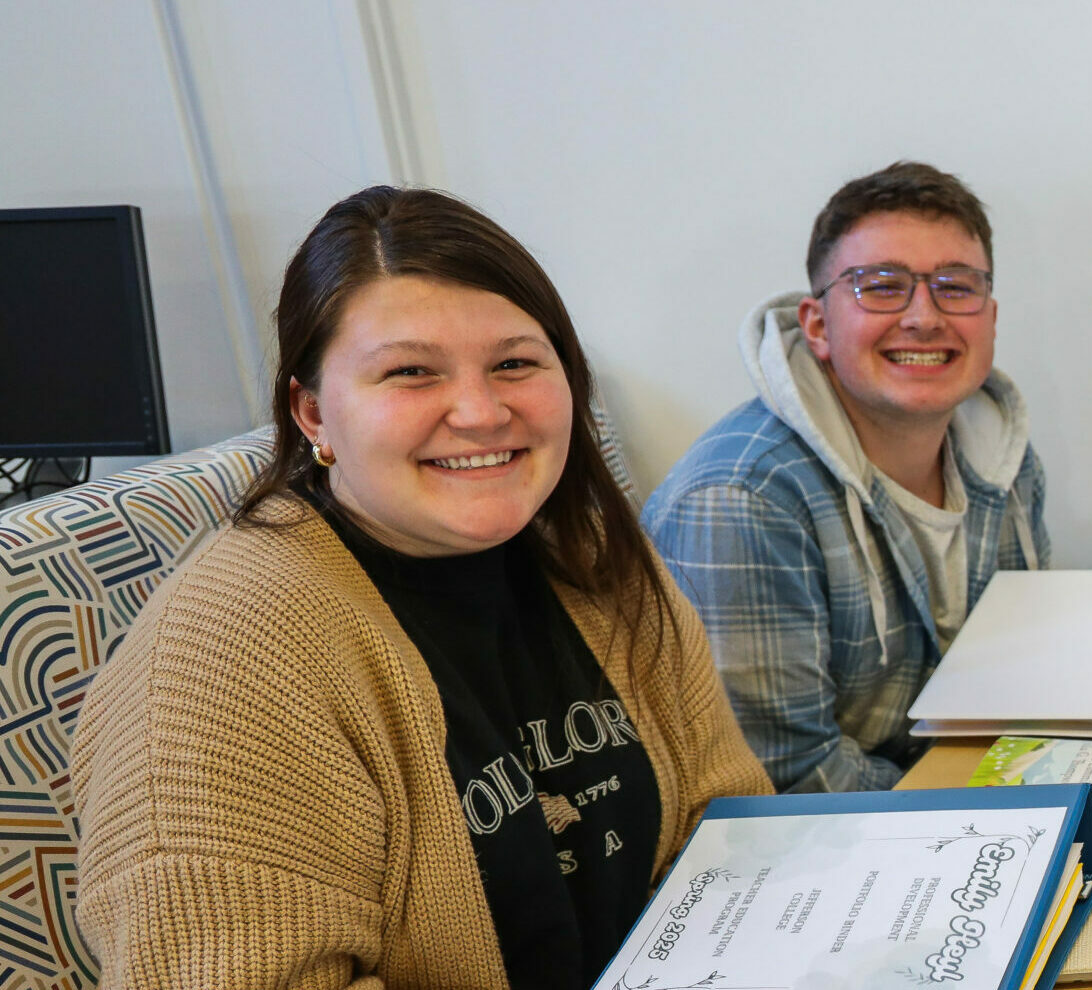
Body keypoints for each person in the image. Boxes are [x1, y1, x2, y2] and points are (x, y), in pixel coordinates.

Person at [68, 186, 771, 989]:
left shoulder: (589, 548)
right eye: (410, 373)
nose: (479, 411)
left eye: (514, 363)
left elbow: (725, 827)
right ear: (313, 415)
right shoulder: (216, 676)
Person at [645, 161, 1046, 794]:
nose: (924, 316)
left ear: (990, 318)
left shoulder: (1004, 452)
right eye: (882, 286)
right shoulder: (741, 499)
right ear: (817, 325)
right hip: (812, 853)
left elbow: (1025, 667)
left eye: (955, 286)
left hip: (958, 793)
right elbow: (788, 778)